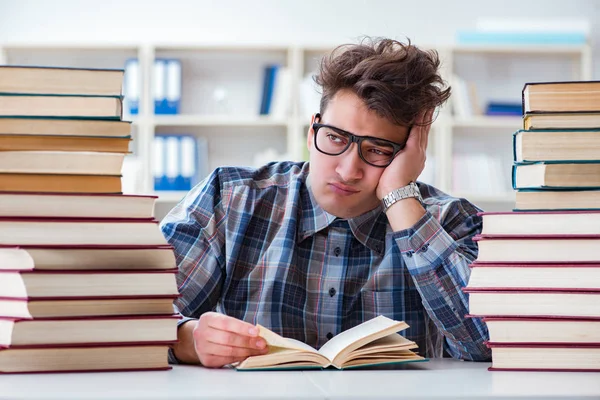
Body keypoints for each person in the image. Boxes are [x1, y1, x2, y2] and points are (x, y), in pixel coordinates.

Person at [161, 37, 491, 368]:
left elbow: (487, 344)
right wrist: (190, 339)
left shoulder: (449, 221)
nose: (348, 171)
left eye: (377, 150)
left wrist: (400, 196)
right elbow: (136, 318)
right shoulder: (231, 198)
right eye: (335, 137)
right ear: (312, 132)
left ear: (410, 154)